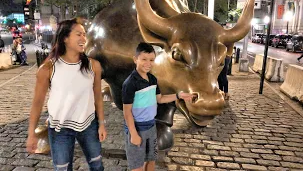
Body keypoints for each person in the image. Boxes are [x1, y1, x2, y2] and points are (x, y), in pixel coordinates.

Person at [26, 18, 107, 171]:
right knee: (62, 168)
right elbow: (37, 103)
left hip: (88, 124)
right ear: (65, 38)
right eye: (79, 34)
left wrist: (101, 124)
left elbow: (97, 97)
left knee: (97, 166)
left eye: (84, 34)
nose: (84, 38)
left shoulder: (93, 66)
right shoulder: (48, 68)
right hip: (59, 128)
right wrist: (31, 134)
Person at [122, 42, 194, 171]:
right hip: (137, 127)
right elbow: (127, 112)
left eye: (151, 60)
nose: (148, 63)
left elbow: (160, 99)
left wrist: (179, 96)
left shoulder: (153, 79)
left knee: (151, 161)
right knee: (137, 166)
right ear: (135, 59)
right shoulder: (130, 83)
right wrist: (133, 133)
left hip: (151, 126)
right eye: (144, 59)